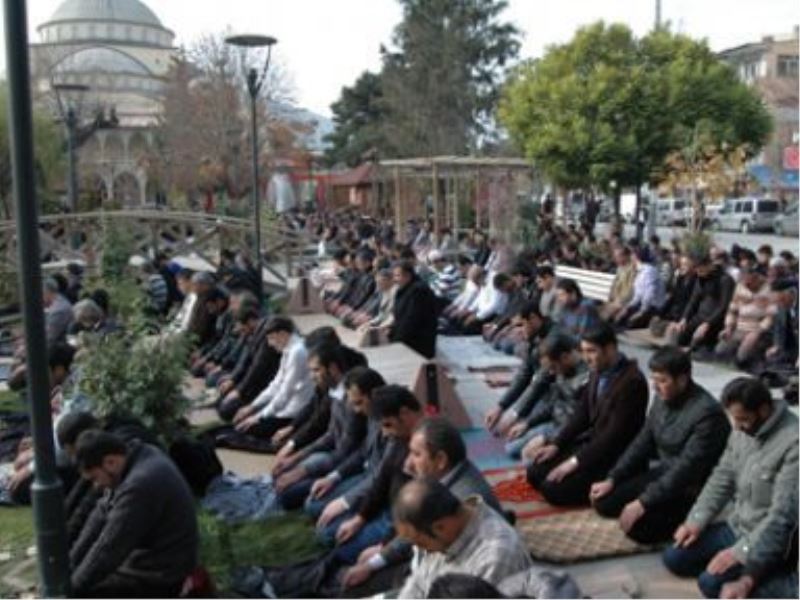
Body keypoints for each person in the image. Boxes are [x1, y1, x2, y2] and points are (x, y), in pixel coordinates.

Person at [662, 378, 798, 599]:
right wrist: (696, 519)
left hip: (762, 538)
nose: (736, 427)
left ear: (763, 410)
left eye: (742, 419)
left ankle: (767, 575)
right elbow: (722, 476)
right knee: (674, 557)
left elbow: (781, 519)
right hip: (735, 526)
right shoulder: (741, 431)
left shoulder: (794, 443)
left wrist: (740, 553)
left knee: (710, 585)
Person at [341, 417, 503, 594]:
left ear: (440, 459)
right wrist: (378, 559)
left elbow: (437, 576)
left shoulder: (460, 504)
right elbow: (416, 537)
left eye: (416, 454)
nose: (409, 463)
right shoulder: (443, 482)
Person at [589, 347, 730, 544]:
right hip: (664, 472)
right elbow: (643, 441)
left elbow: (686, 469)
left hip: (691, 487)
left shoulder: (707, 415)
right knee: (604, 501)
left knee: (638, 528)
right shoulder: (663, 398)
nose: (655, 387)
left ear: (682, 380)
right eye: (654, 380)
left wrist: (643, 501)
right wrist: (614, 477)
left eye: (662, 381)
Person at [526, 323, 648, 506]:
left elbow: (613, 436)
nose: (586, 358)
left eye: (591, 351)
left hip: (615, 456)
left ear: (610, 349)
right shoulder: (598, 372)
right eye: (583, 351)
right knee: (535, 472)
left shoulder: (632, 382)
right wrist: (557, 445)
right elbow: (582, 414)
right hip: (593, 446)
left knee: (552, 489)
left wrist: (574, 462)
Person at [69, 430, 198, 598]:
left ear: (110, 462)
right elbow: (98, 517)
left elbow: (109, 548)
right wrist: (69, 566)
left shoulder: (139, 486)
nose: (96, 486)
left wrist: (69, 590)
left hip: (161, 576)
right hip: (150, 563)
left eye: (95, 478)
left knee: (86, 591)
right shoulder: (134, 457)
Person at [394, 479, 533, 599]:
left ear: (440, 527)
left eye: (421, 543)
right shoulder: (443, 536)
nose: (421, 549)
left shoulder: (496, 557)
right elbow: (418, 583)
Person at [275, 344, 367, 510]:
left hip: (348, 465)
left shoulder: (352, 399)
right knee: (283, 473)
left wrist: (304, 470)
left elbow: (346, 451)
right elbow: (330, 434)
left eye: (316, 370)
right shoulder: (334, 391)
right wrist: (296, 457)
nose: (312, 376)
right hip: (334, 458)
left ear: (332, 368)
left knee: (288, 495)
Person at [233, 317, 314, 441]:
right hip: (284, 405)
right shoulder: (289, 349)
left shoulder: (297, 352)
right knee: (243, 417)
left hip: (294, 411)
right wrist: (252, 407)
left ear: (282, 334)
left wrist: (259, 416)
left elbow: (285, 392)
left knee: (249, 428)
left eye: (271, 338)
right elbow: (275, 384)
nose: (270, 344)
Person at [511, 334, 590, 460]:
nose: (551, 372)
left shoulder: (586, 379)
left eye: (553, 367)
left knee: (530, 460)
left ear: (564, 357)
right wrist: (528, 423)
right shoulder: (563, 369)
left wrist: (548, 438)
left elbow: (579, 423)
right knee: (512, 448)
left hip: (570, 433)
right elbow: (553, 404)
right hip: (556, 423)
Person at [484, 302, 557, 436]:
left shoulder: (553, 339)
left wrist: (513, 415)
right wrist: (500, 407)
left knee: (515, 443)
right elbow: (524, 374)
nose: (517, 331)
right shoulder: (535, 336)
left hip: (556, 398)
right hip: (543, 392)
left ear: (533, 318)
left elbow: (540, 381)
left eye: (521, 325)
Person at [715, 267, 775, 369]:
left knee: (742, 357)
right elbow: (732, 310)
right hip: (740, 326)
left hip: (757, 329)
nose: (747, 285)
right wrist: (728, 327)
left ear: (756, 278)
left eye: (749, 282)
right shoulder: (740, 287)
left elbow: (771, 316)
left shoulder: (769, 289)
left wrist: (757, 331)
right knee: (720, 351)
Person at [390, 260, 438, 359]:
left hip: (418, 344)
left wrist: (396, 340)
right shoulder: (406, 289)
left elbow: (411, 320)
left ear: (408, 275)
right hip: (407, 338)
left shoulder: (419, 291)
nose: (395, 279)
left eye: (398, 276)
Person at [615, 247, 666, 330]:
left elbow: (649, 295)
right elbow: (638, 295)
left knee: (630, 324)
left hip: (652, 308)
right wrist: (628, 307)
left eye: (632, 256)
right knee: (619, 319)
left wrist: (641, 312)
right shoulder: (640, 271)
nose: (630, 259)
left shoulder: (649, 271)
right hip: (641, 305)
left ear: (636, 257)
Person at [554, 278, 601, 343]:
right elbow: (560, 327)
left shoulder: (586, 308)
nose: (559, 299)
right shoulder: (566, 306)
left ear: (573, 294)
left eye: (562, 295)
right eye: (558, 296)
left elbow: (583, 337)